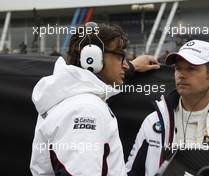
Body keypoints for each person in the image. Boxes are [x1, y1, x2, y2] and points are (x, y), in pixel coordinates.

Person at [30, 22, 159, 176]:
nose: (124, 65)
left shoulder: (71, 98)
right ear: (92, 58)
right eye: (119, 55)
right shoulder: (85, 109)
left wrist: (132, 66)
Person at [126, 40, 209, 176]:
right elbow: (130, 172)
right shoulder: (153, 122)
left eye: (191, 69)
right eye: (178, 68)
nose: (181, 74)